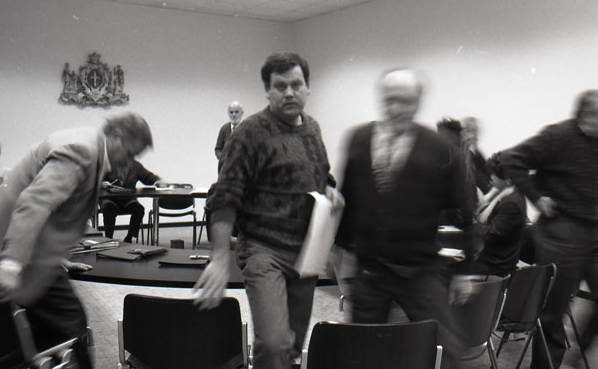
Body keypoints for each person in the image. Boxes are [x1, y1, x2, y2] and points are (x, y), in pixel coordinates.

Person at [0, 112, 154, 369]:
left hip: (27, 249)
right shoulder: (82, 150)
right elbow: (36, 203)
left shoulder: (88, 145)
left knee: (46, 334)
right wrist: (11, 264)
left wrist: (59, 257)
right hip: (12, 250)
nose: (129, 160)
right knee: (70, 328)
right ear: (117, 136)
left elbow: (59, 211)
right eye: (129, 152)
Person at [195, 52, 341, 369]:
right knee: (274, 343)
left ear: (308, 88)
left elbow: (321, 173)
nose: (289, 93)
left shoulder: (313, 129)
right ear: (267, 91)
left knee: (292, 345)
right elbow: (225, 197)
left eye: (296, 85)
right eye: (280, 86)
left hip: (306, 252)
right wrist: (219, 258)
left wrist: (330, 188)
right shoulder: (250, 133)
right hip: (264, 250)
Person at [335, 68, 476, 369]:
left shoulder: (439, 148)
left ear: (418, 102)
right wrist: (343, 258)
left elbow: (465, 207)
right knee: (360, 354)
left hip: (419, 270)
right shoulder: (359, 140)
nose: (396, 108)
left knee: (448, 352)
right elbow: (348, 200)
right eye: (390, 100)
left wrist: (465, 271)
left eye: (405, 101)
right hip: (370, 269)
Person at [498, 89, 598, 369]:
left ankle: (576, 358)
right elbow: (510, 159)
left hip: (592, 228)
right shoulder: (557, 136)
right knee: (552, 314)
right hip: (561, 231)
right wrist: (537, 197)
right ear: (588, 115)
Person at [475, 153, 528, 277]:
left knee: (448, 271)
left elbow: (491, 234)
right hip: (496, 261)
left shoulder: (511, 203)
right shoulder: (510, 195)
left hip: (496, 266)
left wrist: (471, 222)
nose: (491, 177)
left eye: (495, 175)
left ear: (508, 180)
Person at [99, 159, 160, 243]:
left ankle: (129, 238)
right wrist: (101, 183)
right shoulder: (107, 164)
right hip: (110, 199)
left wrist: (158, 181)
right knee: (109, 209)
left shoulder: (136, 165)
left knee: (139, 209)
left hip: (128, 199)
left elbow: (148, 177)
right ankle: (108, 239)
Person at [461, 116, 491, 195]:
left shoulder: (478, 154)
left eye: (475, 131)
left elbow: (488, 174)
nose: (474, 135)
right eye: (471, 131)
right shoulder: (460, 154)